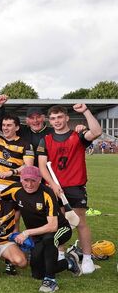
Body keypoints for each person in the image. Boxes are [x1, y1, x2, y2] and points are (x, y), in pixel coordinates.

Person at [37, 104, 103, 275]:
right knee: (59, 223)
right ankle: (60, 254)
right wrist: (53, 184)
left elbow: (96, 132)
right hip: (55, 187)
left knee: (80, 221)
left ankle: (87, 257)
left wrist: (86, 111)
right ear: (49, 121)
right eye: (53, 118)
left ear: (67, 118)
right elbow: (42, 167)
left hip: (75, 186)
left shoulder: (78, 136)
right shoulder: (46, 140)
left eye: (59, 117)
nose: (57, 121)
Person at [3, 166, 81, 293]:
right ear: (21, 179)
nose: (29, 184)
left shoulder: (47, 193)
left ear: (40, 180)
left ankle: (51, 281)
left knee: (49, 239)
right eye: (26, 180)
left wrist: (26, 232)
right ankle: (69, 262)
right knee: (37, 273)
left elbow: (52, 226)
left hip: (60, 229)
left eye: (33, 180)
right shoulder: (15, 188)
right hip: (38, 235)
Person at [0, 113, 34, 192]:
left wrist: (12, 172)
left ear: (17, 128)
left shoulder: (26, 144)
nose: (5, 128)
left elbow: (28, 166)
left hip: (14, 185)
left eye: (9, 125)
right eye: (3, 125)